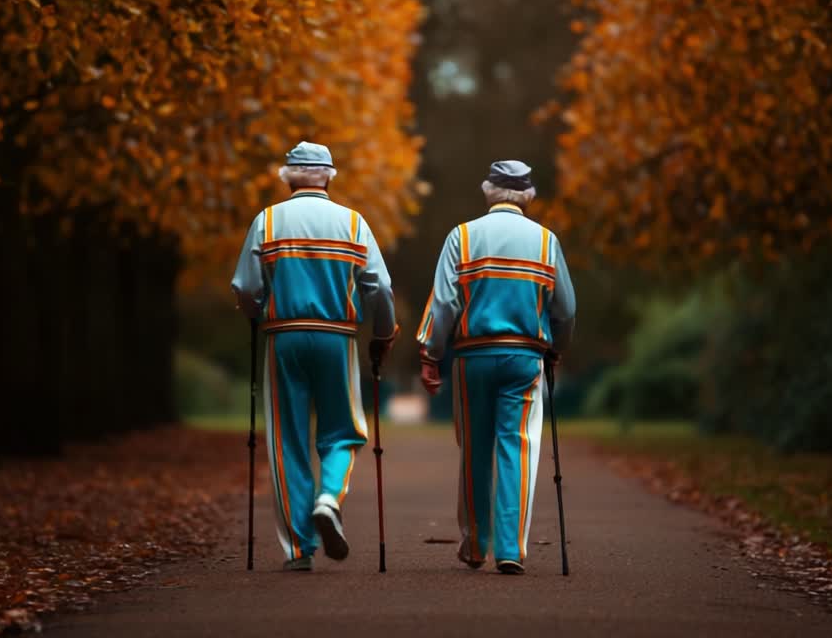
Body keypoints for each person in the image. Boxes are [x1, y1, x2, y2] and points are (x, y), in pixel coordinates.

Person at [232, 141, 398, 572]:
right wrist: (383, 334)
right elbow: (378, 287)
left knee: (286, 439)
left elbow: (246, 289)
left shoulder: (266, 220)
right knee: (343, 430)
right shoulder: (353, 223)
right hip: (336, 338)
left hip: (282, 337)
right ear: (328, 175)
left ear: (288, 176)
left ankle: (299, 549)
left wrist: (256, 313)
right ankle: (329, 498)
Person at [415, 160, 576, 575]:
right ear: (527, 196)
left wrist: (432, 354)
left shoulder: (462, 236)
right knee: (516, 446)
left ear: (489, 191)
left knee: (475, 449)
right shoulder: (545, 241)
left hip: (472, 357)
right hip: (524, 356)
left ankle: (474, 545)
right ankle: (510, 548)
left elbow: (445, 302)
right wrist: (555, 348)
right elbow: (566, 308)